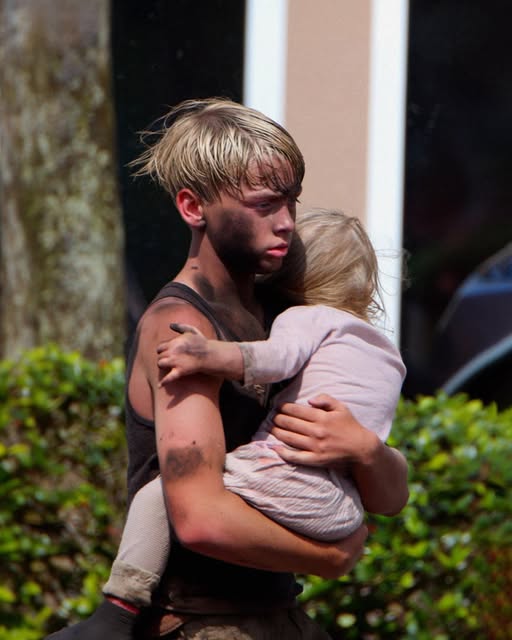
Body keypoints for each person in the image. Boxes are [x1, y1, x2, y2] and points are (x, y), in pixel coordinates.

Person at [47, 98, 408, 640]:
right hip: (203, 623)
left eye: (291, 201)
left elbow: (392, 496)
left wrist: (365, 450)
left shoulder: (281, 320)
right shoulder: (182, 329)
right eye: (264, 205)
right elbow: (199, 518)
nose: (287, 223)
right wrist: (330, 556)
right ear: (193, 207)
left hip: (279, 619)